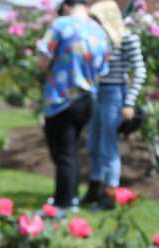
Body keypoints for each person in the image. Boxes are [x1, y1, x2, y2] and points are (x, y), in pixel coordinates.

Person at [36, 0, 110, 214]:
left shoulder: (61, 25)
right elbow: (103, 69)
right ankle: (71, 196)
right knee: (72, 151)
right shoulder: (99, 31)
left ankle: (63, 203)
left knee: (63, 154)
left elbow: (42, 61)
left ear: (67, 6)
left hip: (62, 99)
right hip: (87, 100)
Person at [84, 0, 146, 210]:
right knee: (92, 143)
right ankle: (94, 188)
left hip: (114, 94)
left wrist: (129, 102)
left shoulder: (127, 38)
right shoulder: (100, 40)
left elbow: (140, 71)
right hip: (97, 93)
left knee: (108, 147)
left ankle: (109, 194)